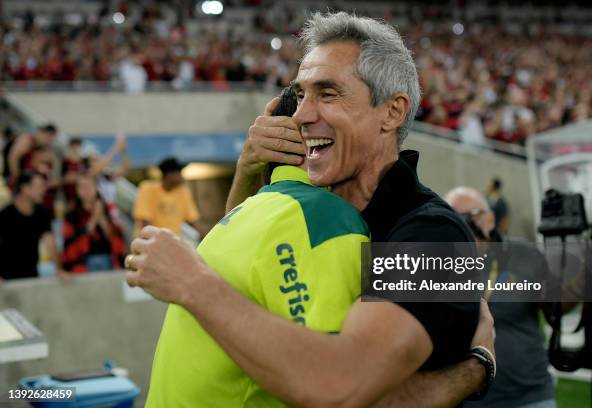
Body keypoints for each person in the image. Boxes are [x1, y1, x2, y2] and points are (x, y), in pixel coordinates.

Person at [127, 12, 491, 407]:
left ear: (392, 111)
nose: (301, 115)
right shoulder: (314, 210)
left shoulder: (435, 235)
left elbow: (344, 388)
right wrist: (249, 168)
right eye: (301, 95)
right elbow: (248, 284)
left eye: (327, 93)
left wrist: (191, 281)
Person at [445, 187, 556, 408]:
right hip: (466, 398)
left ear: (490, 219)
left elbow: (557, 309)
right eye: (454, 217)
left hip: (529, 395)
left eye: (472, 214)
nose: (464, 223)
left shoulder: (524, 253)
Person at [0, 171, 63, 280]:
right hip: (6, 279)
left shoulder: (42, 213)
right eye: (38, 187)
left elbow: (50, 243)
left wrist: (59, 269)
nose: (43, 190)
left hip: (31, 275)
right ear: (25, 188)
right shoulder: (5, 215)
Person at [62, 174, 125, 273]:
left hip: (109, 258)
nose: (86, 190)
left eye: (89, 186)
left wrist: (101, 218)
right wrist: (94, 218)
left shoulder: (109, 209)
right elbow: (72, 242)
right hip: (82, 262)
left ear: (96, 188)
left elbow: (116, 237)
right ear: (77, 190)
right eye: (82, 186)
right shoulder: (72, 214)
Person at [132, 157, 207, 237]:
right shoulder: (147, 189)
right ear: (169, 175)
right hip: (149, 242)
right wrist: (152, 241)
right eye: (179, 173)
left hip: (170, 243)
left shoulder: (183, 192)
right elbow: (144, 220)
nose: (181, 177)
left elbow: (194, 220)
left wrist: (207, 238)